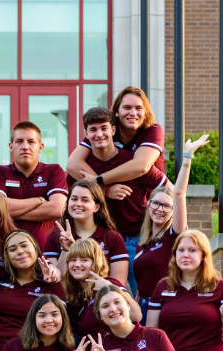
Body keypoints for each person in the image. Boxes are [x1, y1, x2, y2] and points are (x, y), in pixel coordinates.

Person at [65, 107, 169, 293]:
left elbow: (169, 190)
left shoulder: (132, 164)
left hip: (136, 239)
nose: (99, 134)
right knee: (98, 298)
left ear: (113, 130)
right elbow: (73, 202)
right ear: (85, 134)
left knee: (144, 296)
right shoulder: (81, 169)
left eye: (104, 128)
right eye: (93, 130)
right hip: (100, 241)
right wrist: (105, 190)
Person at [133, 134, 210, 319]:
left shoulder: (174, 234)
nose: (160, 209)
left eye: (167, 206)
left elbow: (180, 193)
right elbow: (142, 284)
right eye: (156, 203)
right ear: (148, 204)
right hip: (144, 307)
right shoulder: (143, 241)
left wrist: (187, 157)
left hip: (167, 304)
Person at [0, 121, 68, 248]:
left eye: (31, 142)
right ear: (11, 146)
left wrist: (10, 212)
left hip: (47, 253)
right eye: (19, 141)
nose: (25, 146)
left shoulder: (53, 170)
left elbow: (58, 209)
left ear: (40, 147)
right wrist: (39, 200)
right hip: (8, 252)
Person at [66, 86, 165, 179]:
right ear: (116, 112)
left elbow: (141, 166)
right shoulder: (105, 130)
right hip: (116, 193)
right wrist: (104, 189)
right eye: (127, 107)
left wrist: (99, 181)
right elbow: (73, 164)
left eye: (138, 108)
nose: (133, 113)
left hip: (152, 194)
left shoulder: (153, 130)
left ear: (146, 114)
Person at [45, 179, 129, 285]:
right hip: (66, 301)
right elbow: (57, 283)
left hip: (101, 298)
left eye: (85, 200)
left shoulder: (113, 238)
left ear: (97, 207)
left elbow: (119, 285)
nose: (78, 204)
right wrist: (66, 250)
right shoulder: (55, 237)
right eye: (74, 199)